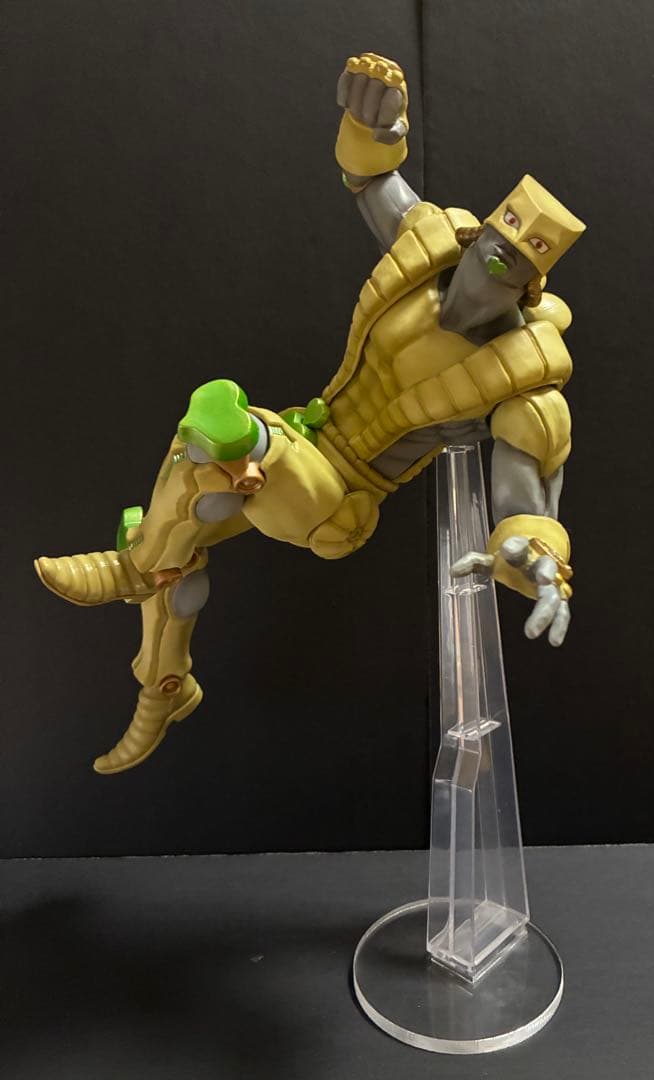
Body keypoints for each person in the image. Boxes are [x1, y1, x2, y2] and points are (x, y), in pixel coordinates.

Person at [35, 53, 586, 774]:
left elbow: (527, 481)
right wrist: (374, 126)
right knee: (186, 529)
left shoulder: (523, 375)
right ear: (479, 231)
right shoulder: (428, 251)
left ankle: (133, 570)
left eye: (509, 267)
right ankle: (165, 685)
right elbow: (372, 181)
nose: (489, 267)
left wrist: (531, 551)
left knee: (231, 432)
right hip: (307, 434)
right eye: (491, 244)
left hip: (338, 501)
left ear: (529, 288)